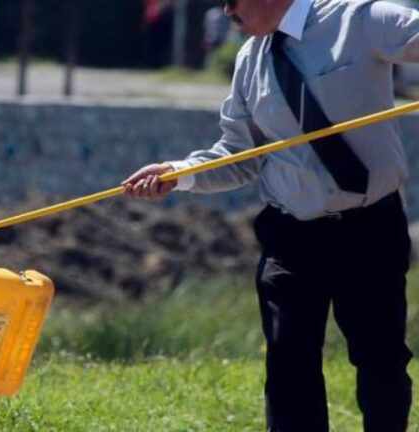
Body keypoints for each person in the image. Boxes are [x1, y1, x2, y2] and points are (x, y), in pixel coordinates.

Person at [123, 0, 417, 430]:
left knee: (381, 362)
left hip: (368, 229)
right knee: (288, 366)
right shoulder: (250, 58)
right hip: (291, 237)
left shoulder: (360, 19)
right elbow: (239, 155)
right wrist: (178, 173)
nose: (225, 11)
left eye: (232, 0)